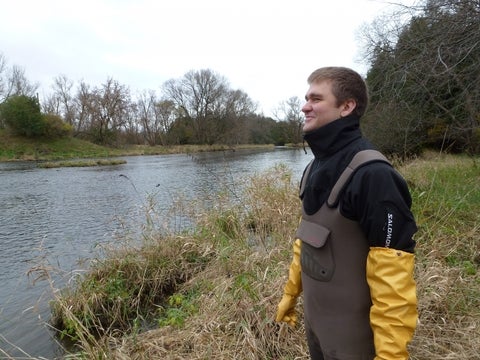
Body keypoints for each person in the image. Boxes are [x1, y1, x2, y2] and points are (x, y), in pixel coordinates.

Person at [275, 67, 418, 360]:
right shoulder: (313, 168)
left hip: (356, 344)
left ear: (347, 106)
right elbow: (307, 239)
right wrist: (290, 295)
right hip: (317, 329)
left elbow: (394, 283)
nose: (304, 106)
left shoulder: (374, 176)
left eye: (316, 99)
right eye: (306, 98)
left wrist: (391, 355)